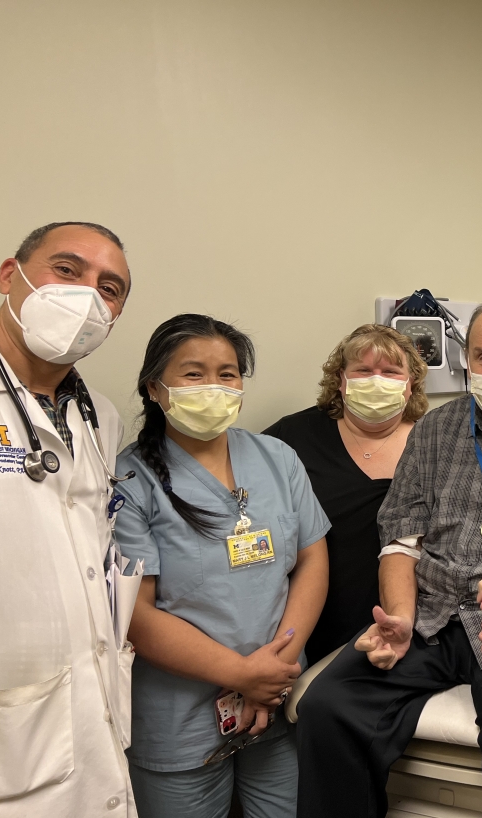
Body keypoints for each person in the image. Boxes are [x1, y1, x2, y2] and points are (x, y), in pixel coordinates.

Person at [296, 301, 482, 818]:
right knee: (329, 707)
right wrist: (399, 617)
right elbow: (400, 538)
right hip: (434, 615)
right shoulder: (434, 431)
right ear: (465, 362)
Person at [113, 314, 330, 818]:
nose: (215, 386)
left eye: (228, 373)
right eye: (194, 373)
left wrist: (273, 672)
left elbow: (312, 557)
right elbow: (136, 614)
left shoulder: (277, 457)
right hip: (178, 719)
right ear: (155, 387)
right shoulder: (129, 479)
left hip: (276, 704)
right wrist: (241, 673)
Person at [0, 222, 136, 817]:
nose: (87, 297)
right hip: (10, 735)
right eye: (67, 270)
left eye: (110, 288)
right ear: (10, 275)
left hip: (92, 717)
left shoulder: (98, 415)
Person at [264, 324, 429, 665]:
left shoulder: (435, 444)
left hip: (412, 626)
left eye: (390, 372)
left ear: (410, 384)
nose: (377, 380)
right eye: (364, 371)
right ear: (341, 381)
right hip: (309, 621)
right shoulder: (293, 436)